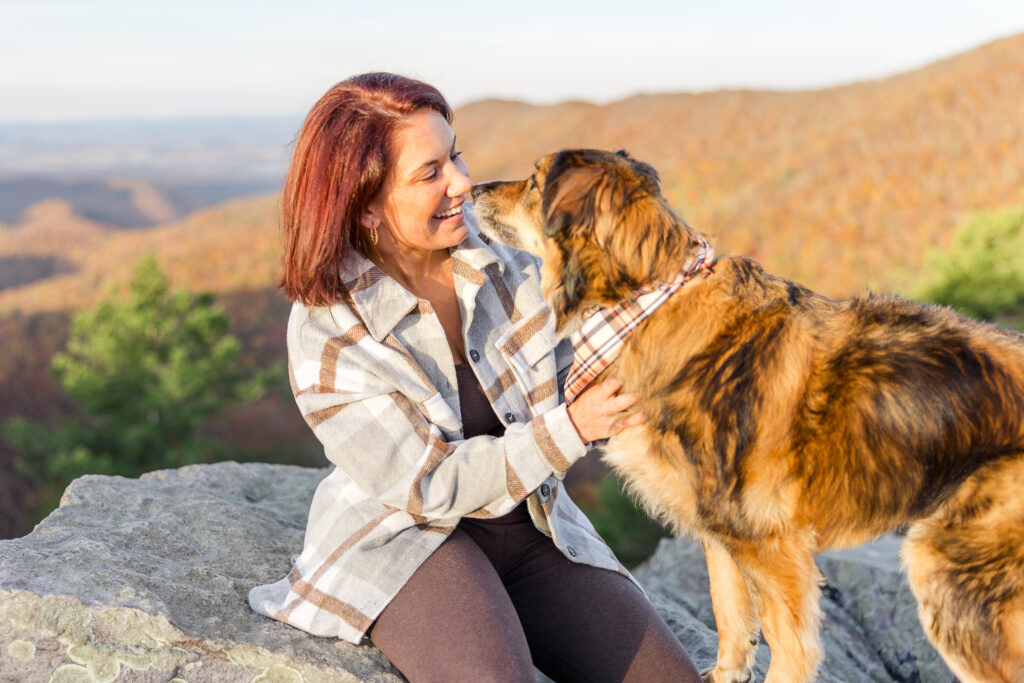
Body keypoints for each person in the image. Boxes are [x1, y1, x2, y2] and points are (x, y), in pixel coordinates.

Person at [249, 72, 702, 682]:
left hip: (534, 525)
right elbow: (429, 485)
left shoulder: (505, 263)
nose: (463, 182)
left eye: (455, 154)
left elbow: (582, 375)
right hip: (412, 539)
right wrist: (570, 429)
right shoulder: (328, 328)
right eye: (430, 172)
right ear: (365, 205)